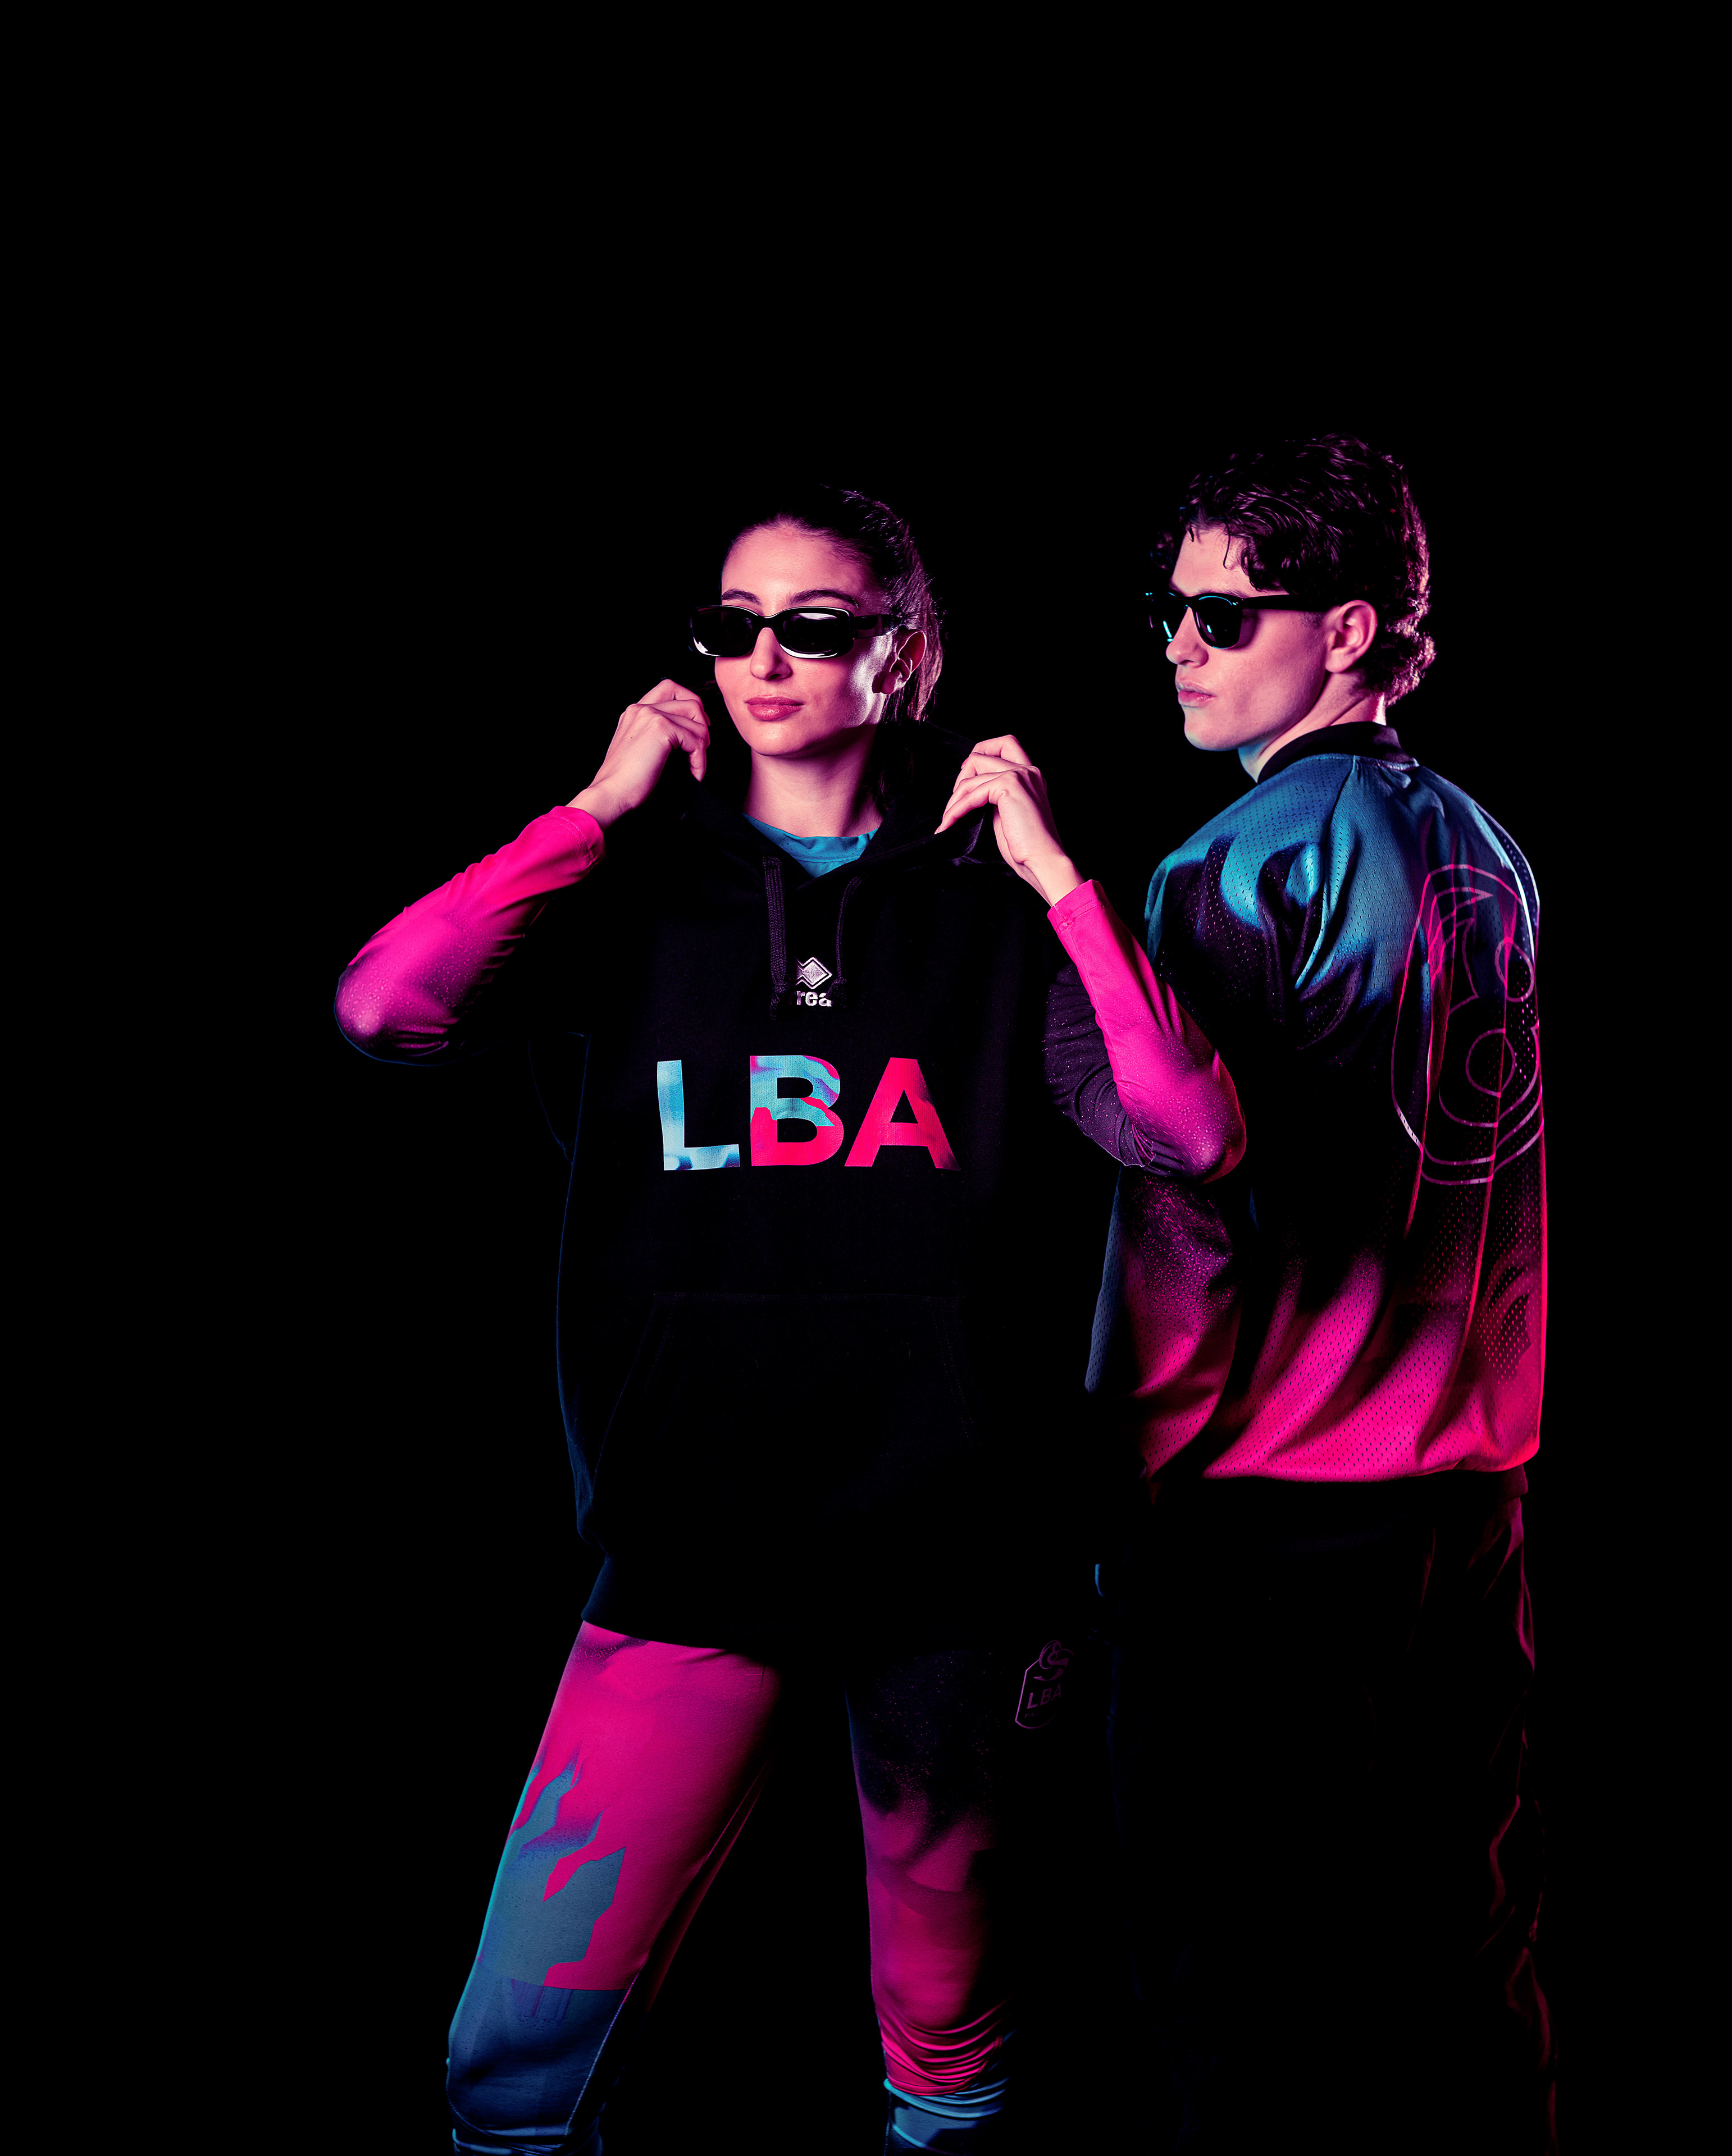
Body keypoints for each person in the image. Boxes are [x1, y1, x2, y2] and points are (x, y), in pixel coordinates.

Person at [335, 482, 1244, 2155]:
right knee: (507, 2063)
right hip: (693, 1547)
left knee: (950, 2056)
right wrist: (595, 808)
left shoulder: (997, 906)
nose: (765, 661)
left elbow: (1189, 1133)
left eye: (815, 627)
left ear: (909, 656)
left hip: (957, 1565)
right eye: (732, 626)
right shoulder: (628, 891)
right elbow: (386, 1007)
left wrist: (1057, 878)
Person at [1095, 436, 1556, 2150]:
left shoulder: (1228, 867)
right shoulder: (1494, 855)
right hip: (1471, 1507)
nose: (1180, 645)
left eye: (1224, 614)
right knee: (1464, 1963)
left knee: (1236, 1994)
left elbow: (1184, 1236)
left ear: (1351, 629)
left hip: (1268, 1530)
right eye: (1169, 609)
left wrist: (1111, 1488)